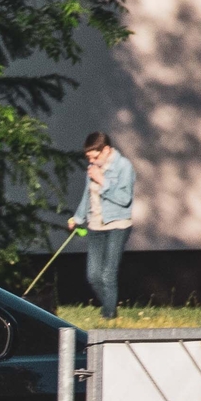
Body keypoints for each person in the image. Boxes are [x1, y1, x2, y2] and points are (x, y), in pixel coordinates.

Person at [69, 132, 136, 319]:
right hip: (95, 225)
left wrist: (102, 181)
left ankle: (109, 316)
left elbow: (125, 199)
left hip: (118, 225)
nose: (92, 161)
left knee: (108, 274)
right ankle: (110, 307)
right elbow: (87, 196)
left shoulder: (124, 166)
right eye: (89, 158)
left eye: (95, 157)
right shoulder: (93, 168)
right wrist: (78, 218)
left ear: (106, 150)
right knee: (93, 275)